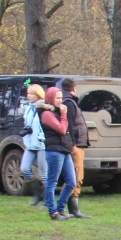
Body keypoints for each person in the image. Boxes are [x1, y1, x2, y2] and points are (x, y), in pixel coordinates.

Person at [39, 85, 78, 220]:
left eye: (61, 98)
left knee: (72, 182)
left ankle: (61, 208)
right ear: (50, 98)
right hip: (55, 151)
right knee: (52, 182)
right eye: (57, 98)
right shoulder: (47, 114)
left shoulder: (57, 112)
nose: (60, 101)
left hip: (64, 149)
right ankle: (53, 212)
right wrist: (64, 115)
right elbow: (62, 129)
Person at [60, 77, 91, 218]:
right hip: (76, 144)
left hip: (77, 142)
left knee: (75, 175)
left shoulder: (67, 101)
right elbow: (70, 125)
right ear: (74, 88)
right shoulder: (69, 102)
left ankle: (69, 208)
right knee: (77, 176)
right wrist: (72, 144)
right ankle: (71, 209)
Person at [18, 83, 48, 205]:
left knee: (44, 173)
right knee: (24, 168)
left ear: (38, 94)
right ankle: (37, 194)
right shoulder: (28, 108)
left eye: (31, 94)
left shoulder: (44, 108)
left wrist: (42, 137)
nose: (28, 96)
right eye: (28, 94)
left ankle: (47, 200)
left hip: (42, 144)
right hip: (30, 143)